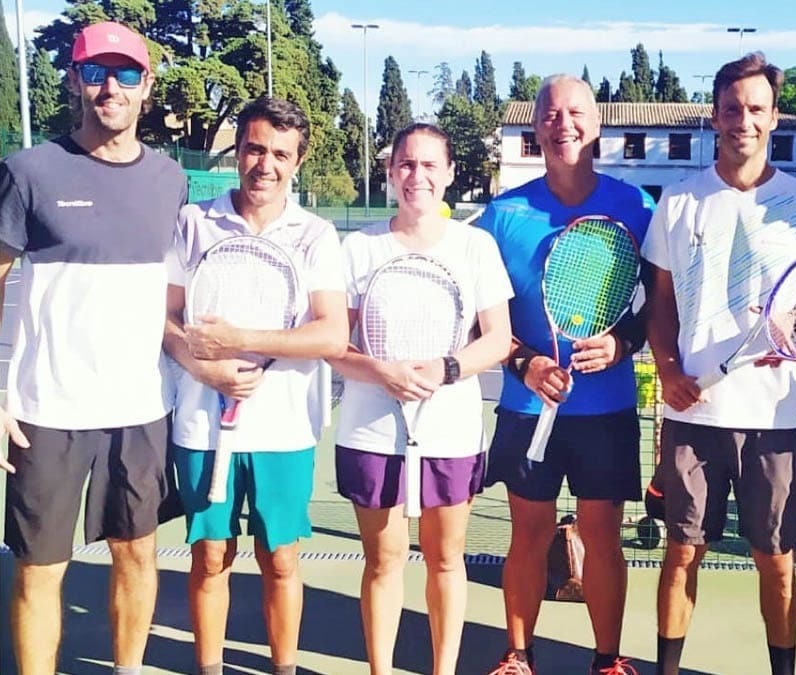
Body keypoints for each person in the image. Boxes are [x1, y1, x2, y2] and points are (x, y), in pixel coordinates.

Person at [0, 22, 186, 675]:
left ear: (146, 86)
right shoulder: (28, 171)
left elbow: (172, 294)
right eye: (97, 72)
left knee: (137, 553)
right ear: (75, 79)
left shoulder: (170, 180)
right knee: (39, 568)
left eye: (127, 73)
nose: (112, 87)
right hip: (44, 411)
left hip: (139, 410)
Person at [643, 52, 796, 675]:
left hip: (775, 417)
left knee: (776, 561)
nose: (742, 120)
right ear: (714, 117)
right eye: (731, 109)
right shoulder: (679, 201)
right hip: (693, 412)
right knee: (681, 553)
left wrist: (794, 327)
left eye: (755, 108)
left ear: (774, 117)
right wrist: (668, 371)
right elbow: (660, 305)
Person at [163, 97, 348, 675]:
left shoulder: (315, 235)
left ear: (298, 161)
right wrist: (203, 367)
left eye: (280, 154)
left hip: (284, 430)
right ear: (237, 150)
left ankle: (284, 668)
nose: (264, 164)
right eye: (254, 148)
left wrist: (242, 338)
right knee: (210, 556)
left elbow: (331, 334)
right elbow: (163, 320)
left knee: (281, 560)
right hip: (199, 422)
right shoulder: (193, 222)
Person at [478, 74, 654, 675]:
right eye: (550, 114)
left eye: (576, 113)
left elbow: (660, 306)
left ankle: (608, 659)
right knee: (529, 534)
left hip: (605, 410)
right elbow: (481, 322)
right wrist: (525, 363)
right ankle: (517, 655)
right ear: (535, 127)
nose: (564, 124)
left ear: (597, 123)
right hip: (527, 409)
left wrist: (622, 342)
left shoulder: (637, 207)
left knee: (603, 537)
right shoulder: (502, 215)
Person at [329, 123, 512, 675]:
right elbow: (334, 345)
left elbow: (498, 340)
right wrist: (379, 370)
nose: (418, 176)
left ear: (450, 174)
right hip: (371, 433)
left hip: (450, 433)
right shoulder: (358, 248)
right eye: (407, 164)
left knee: (445, 559)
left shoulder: (475, 246)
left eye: (431, 165)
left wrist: (448, 367)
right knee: (383, 562)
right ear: (390, 173)